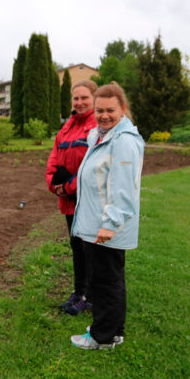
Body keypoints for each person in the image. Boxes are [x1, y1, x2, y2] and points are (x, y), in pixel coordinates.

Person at [68, 83, 145, 350]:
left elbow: (123, 189)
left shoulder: (122, 142)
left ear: (122, 109)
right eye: (99, 110)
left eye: (110, 110)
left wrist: (110, 225)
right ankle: (114, 330)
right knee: (110, 279)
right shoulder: (101, 135)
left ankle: (102, 337)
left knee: (103, 282)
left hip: (105, 226)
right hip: (97, 223)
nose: (104, 115)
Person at [46, 79, 98, 315]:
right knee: (77, 248)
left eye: (84, 97)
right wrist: (53, 184)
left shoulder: (99, 126)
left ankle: (90, 296)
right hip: (68, 202)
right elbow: (53, 160)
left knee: (91, 250)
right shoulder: (66, 127)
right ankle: (79, 292)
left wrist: (67, 187)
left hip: (88, 201)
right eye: (75, 98)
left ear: (94, 98)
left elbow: (96, 167)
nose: (79, 102)